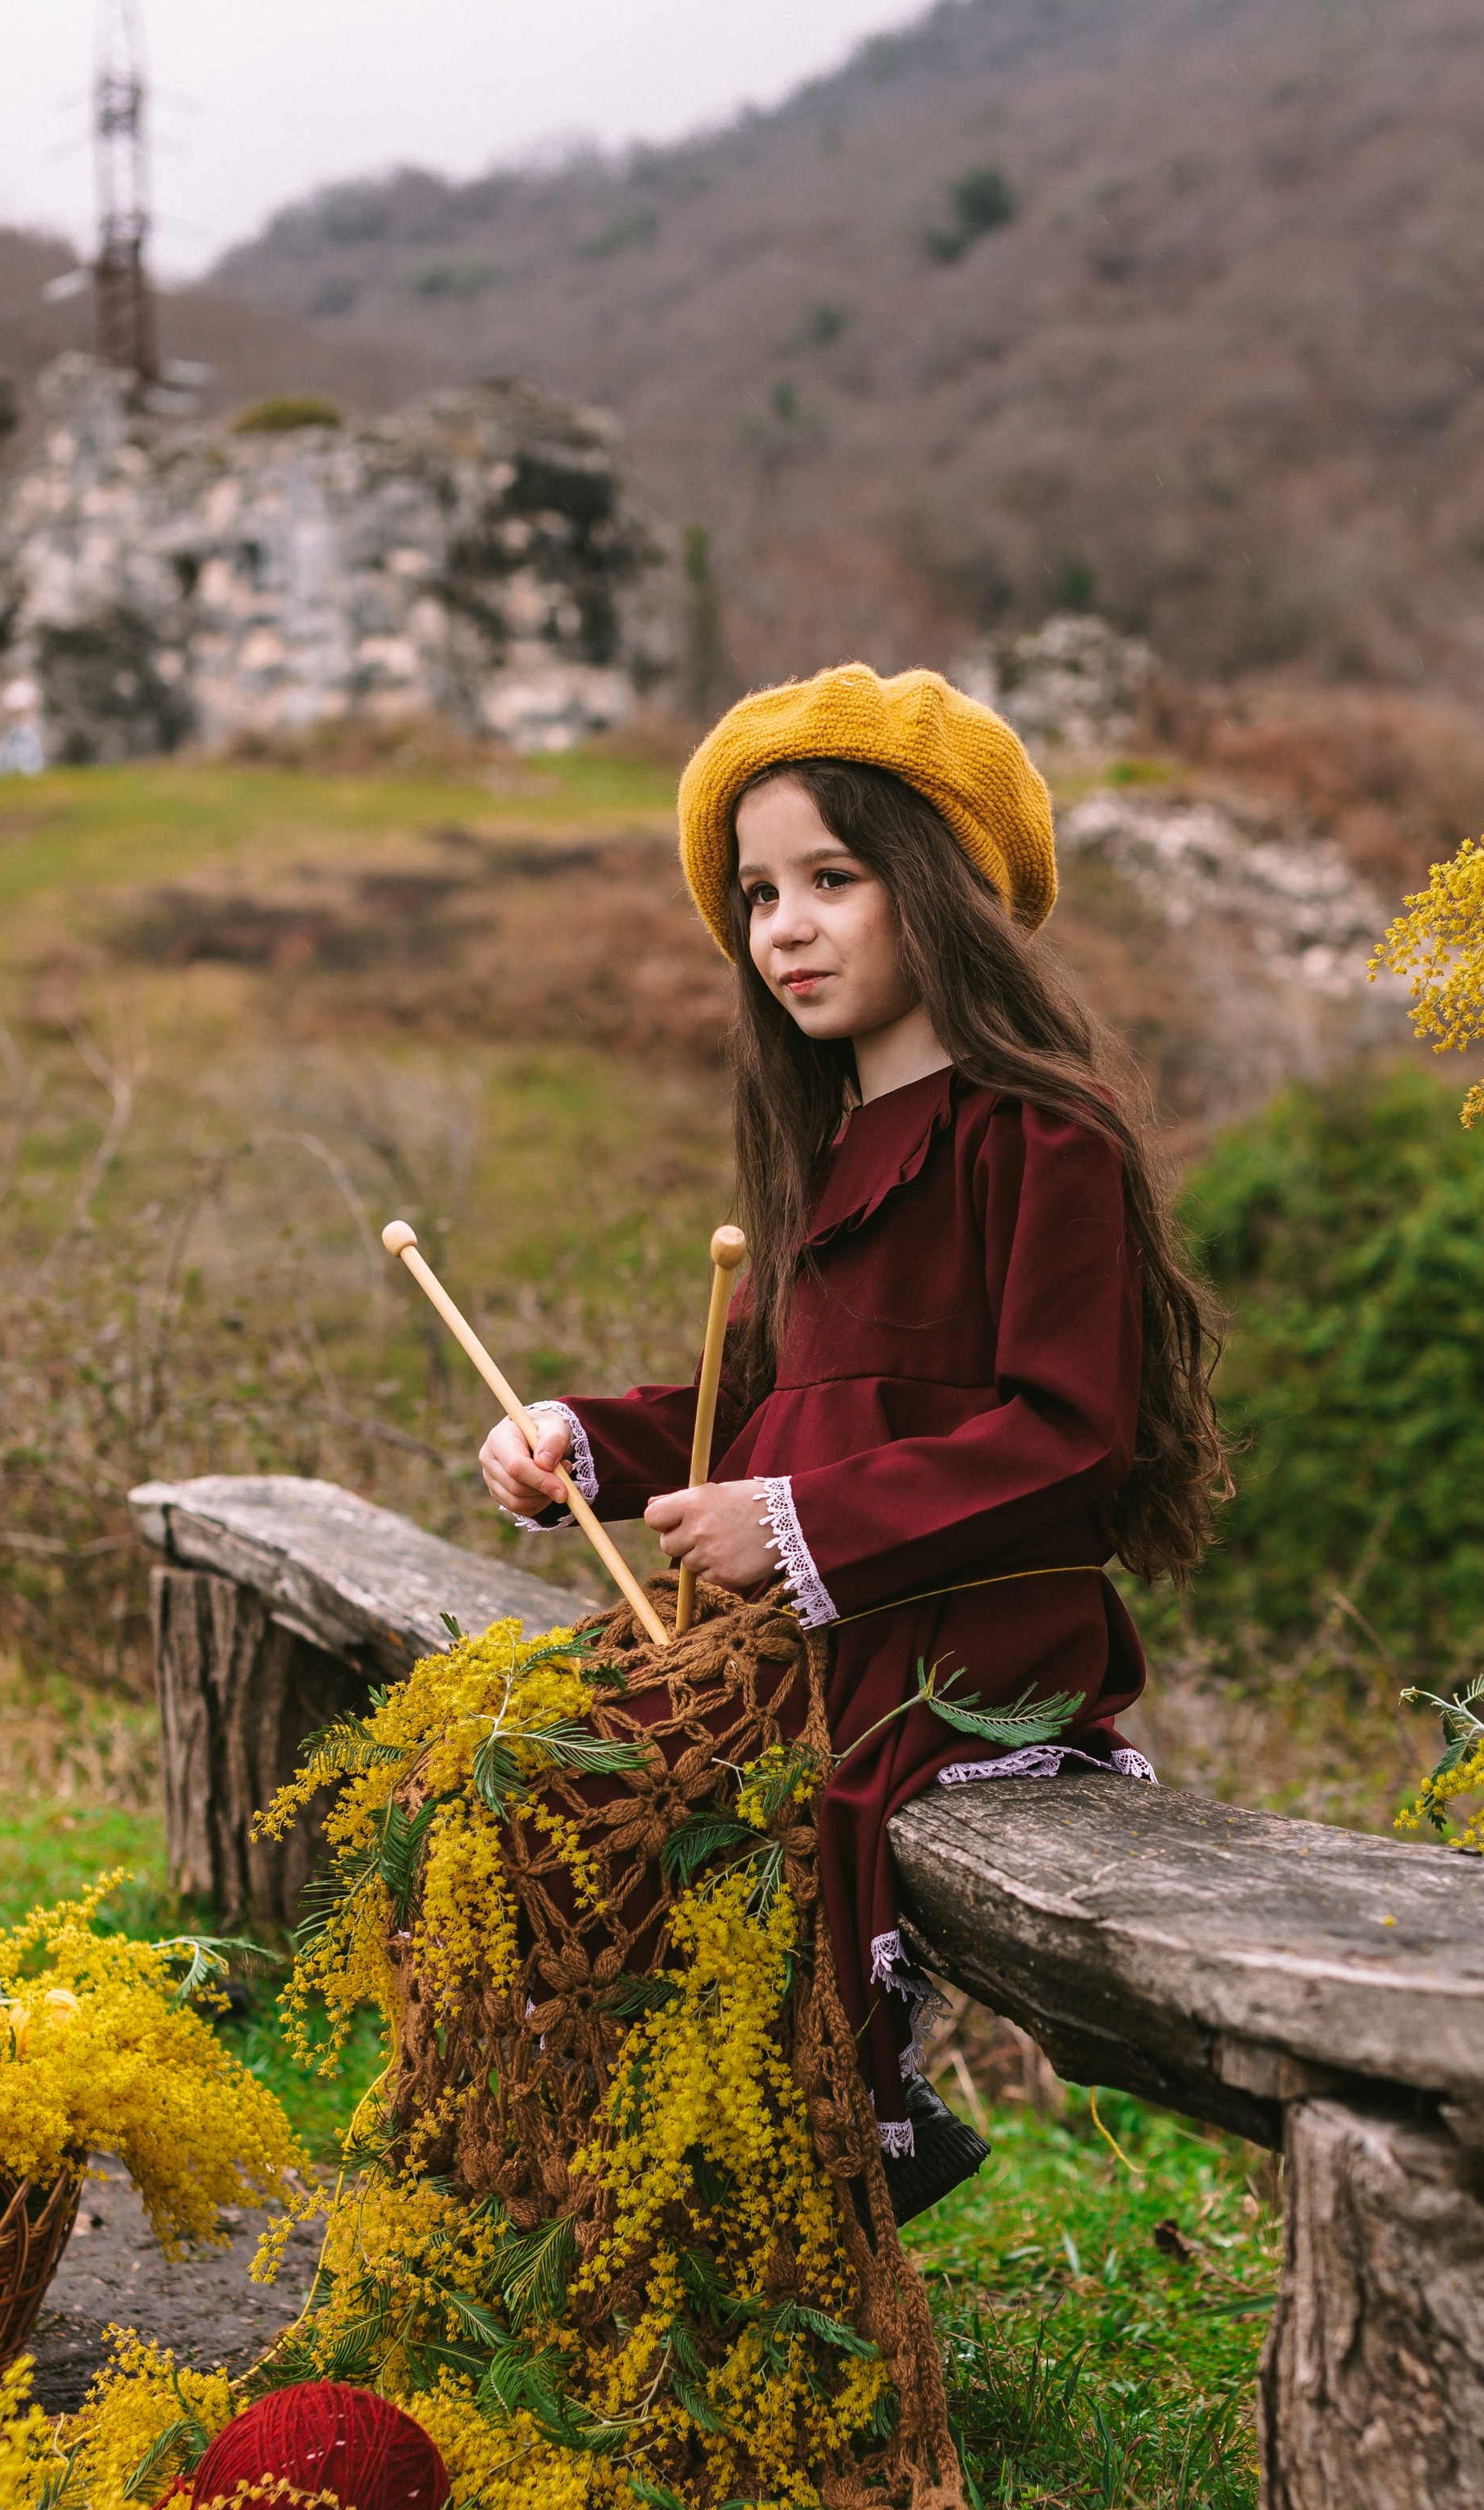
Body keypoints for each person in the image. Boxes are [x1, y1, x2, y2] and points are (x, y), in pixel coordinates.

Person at [479, 663, 1221, 2218]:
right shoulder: (822, 1160)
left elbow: (1068, 1438)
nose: (784, 928)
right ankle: (612, 2180)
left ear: (942, 890)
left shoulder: (1044, 1133)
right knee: (521, 1776)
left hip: (959, 1633)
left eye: (833, 878)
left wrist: (802, 1525)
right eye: (758, 895)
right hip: (815, 1621)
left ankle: (803, 2162)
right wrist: (573, 1443)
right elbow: (746, 1411)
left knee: (660, 1801)